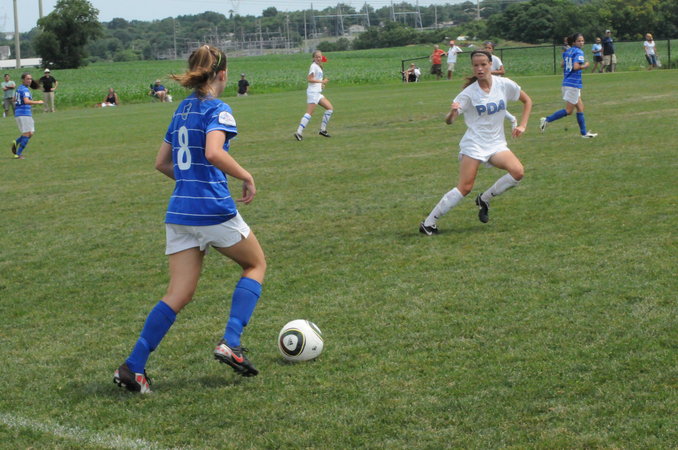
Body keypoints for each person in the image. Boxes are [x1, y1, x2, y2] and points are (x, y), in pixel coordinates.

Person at [113, 45, 267, 393]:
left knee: (178, 293)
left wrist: (188, 181)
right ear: (223, 74)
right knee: (255, 264)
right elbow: (213, 152)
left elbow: (161, 163)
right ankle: (231, 342)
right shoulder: (219, 109)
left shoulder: (181, 109)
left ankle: (133, 366)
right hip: (211, 208)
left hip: (179, 212)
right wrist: (246, 175)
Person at [419, 50, 532, 235]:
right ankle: (428, 223)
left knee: (518, 172)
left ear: (491, 65)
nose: (479, 69)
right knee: (465, 187)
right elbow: (449, 121)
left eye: (483, 64)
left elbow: (527, 101)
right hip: (474, 144)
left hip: (496, 144)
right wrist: (452, 113)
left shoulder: (504, 84)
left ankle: (484, 199)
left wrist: (523, 125)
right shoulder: (469, 93)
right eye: (476, 65)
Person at [540, 33, 597, 139]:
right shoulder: (579, 52)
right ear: (574, 42)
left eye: (582, 40)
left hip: (567, 82)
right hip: (573, 84)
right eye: (579, 41)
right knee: (569, 111)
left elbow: (562, 64)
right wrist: (585, 65)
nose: (581, 42)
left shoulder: (568, 51)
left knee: (580, 107)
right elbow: (576, 67)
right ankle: (547, 120)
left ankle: (584, 133)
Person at [294, 50, 334, 140]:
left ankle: (322, 130)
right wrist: (322, 81)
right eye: (317, 57)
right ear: (314, 58)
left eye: (320, 57)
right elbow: (309, 79)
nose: (319, 58)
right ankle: (299, 132)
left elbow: (316, 79)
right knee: (309, 113)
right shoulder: (313, 66)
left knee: (330, 108)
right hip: (313, 93)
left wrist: (322, 85)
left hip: (317, 93)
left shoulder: (318, 66)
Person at [483, 41, 518, 129]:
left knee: (495, 104)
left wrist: (490, 72)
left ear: (492, 50)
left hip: (496, 84)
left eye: (489, 48)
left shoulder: (495, 59)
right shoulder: (482, 59)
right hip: (486, 84)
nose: (487, 49)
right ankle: (511, 119)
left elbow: (502, 71)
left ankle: (512, 119)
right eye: (486, 47)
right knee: (491, 104)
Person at [11, 73, 44, 159]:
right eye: (28, 79)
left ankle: (16, 141)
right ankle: (18, 154)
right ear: (23, 80)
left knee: (30, 133)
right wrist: (38, 102)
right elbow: (26, 101)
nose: (30, 80)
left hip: (20, 113)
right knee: (27, 133)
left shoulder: (19, 88)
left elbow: (14, 99)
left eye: (30, 79)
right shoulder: (25, 90)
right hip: (24, 113)